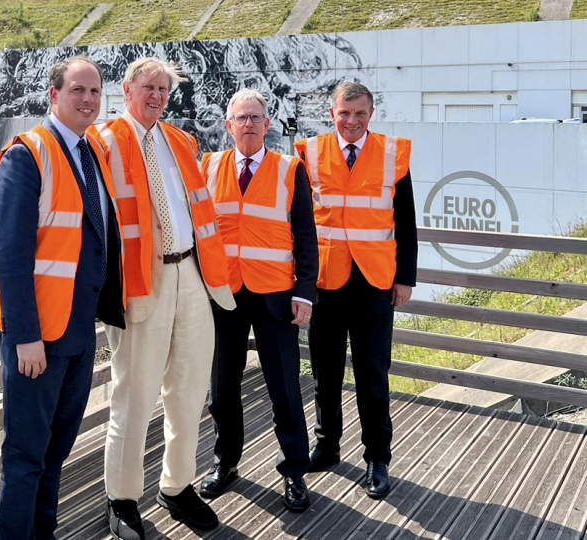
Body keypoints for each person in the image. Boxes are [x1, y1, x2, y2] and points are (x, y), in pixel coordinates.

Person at [90, 57, 236, 540]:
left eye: (164, 89)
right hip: (140, 282)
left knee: (191, 389)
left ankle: (177, 485)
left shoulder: (180, 140)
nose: (157, 96)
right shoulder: (103, 140)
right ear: (127, 89)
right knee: (133, 396)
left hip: (190, 271)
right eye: (148, 87)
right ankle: (123, 499)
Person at [0, 56, 125, 540]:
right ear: (54, 94)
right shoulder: (27, 155)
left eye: (94, 92)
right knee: (25, 457)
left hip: (77, 332)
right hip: (37, 338)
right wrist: (25, 337)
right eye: (77, 90)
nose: (87, 100)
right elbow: (10, 256)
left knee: (55, 451)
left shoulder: (90, 153)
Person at [294, 81, 418, 500]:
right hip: (326, 284)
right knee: (325, 374)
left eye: (359, 114)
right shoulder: (307, 153)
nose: (351, 122)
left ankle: (377, 458)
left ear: (371, 114)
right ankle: (327, 447)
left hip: (375, 284)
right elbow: (301, 224)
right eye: (344, 114)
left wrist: (406, 279)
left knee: (372, 376)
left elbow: (406, 222)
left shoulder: (393, 155)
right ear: (332, 113)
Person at [199, 89, 318, 511]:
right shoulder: (208, 167)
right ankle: (225, 462)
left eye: (255, 117)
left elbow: (306, 235)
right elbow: (198, 233)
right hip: (223, 297)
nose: (248, 123)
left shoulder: (290, 169)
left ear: (267, 125)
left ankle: (294, 472)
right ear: (227, 125)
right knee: (222, 389)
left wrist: (306, 291)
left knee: (285, 389)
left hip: (276, 297)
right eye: (240, 117)